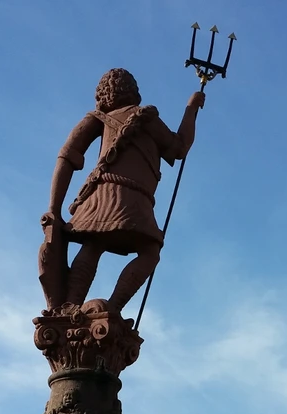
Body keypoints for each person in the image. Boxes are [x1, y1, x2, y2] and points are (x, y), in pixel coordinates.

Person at [40, 68, 204, 313]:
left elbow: (66, 157)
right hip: (131, 196)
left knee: (94, 244)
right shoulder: (144, 118)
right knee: (147, 252)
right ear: (132, 91)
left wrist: (54, 207)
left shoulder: (113, 118)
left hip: (112, 194)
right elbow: (179, 148)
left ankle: (74, 306)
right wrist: (191, 109)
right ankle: (110, 308)